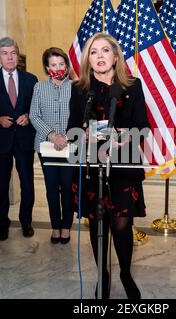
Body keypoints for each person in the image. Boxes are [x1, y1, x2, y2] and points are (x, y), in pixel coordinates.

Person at [67, 33, 149, 299]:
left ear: (115, 56)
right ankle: (103, 274)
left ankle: (125, 273)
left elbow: (143, 125)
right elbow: (71, 128)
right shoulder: (80, 89)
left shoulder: (132, 86)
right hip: (92, 167)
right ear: (87, 59)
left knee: (122, 225)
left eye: (105, 51)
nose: (99, 56)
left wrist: (125, 136)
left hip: (124, 166)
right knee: (98, 223)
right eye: (93, 52)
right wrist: (83, 134)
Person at [0, 37, 38, 241]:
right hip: (1, 141)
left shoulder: (31, 79)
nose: (9, 57)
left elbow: (36, 108)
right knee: (1, 183)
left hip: (24, 139)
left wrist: (29, 116)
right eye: (5, 53)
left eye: (12, 53)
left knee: (27, 182)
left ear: (17, 55)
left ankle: (26, 221)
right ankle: (3, 223)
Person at [29, 47, 74, 244]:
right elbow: (33, 115)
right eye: (53, 65)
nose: (58, 68)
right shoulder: (39, 87)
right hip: (46, 146)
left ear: (67, 65)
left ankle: (66, 228)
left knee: (67, 187)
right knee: (51, 188)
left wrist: (65, 138)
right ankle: (55, 227)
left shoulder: (77, 87)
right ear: (47, 68)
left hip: (70, 146)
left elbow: (81, 116)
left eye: (61, 64)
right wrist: (52, 135)